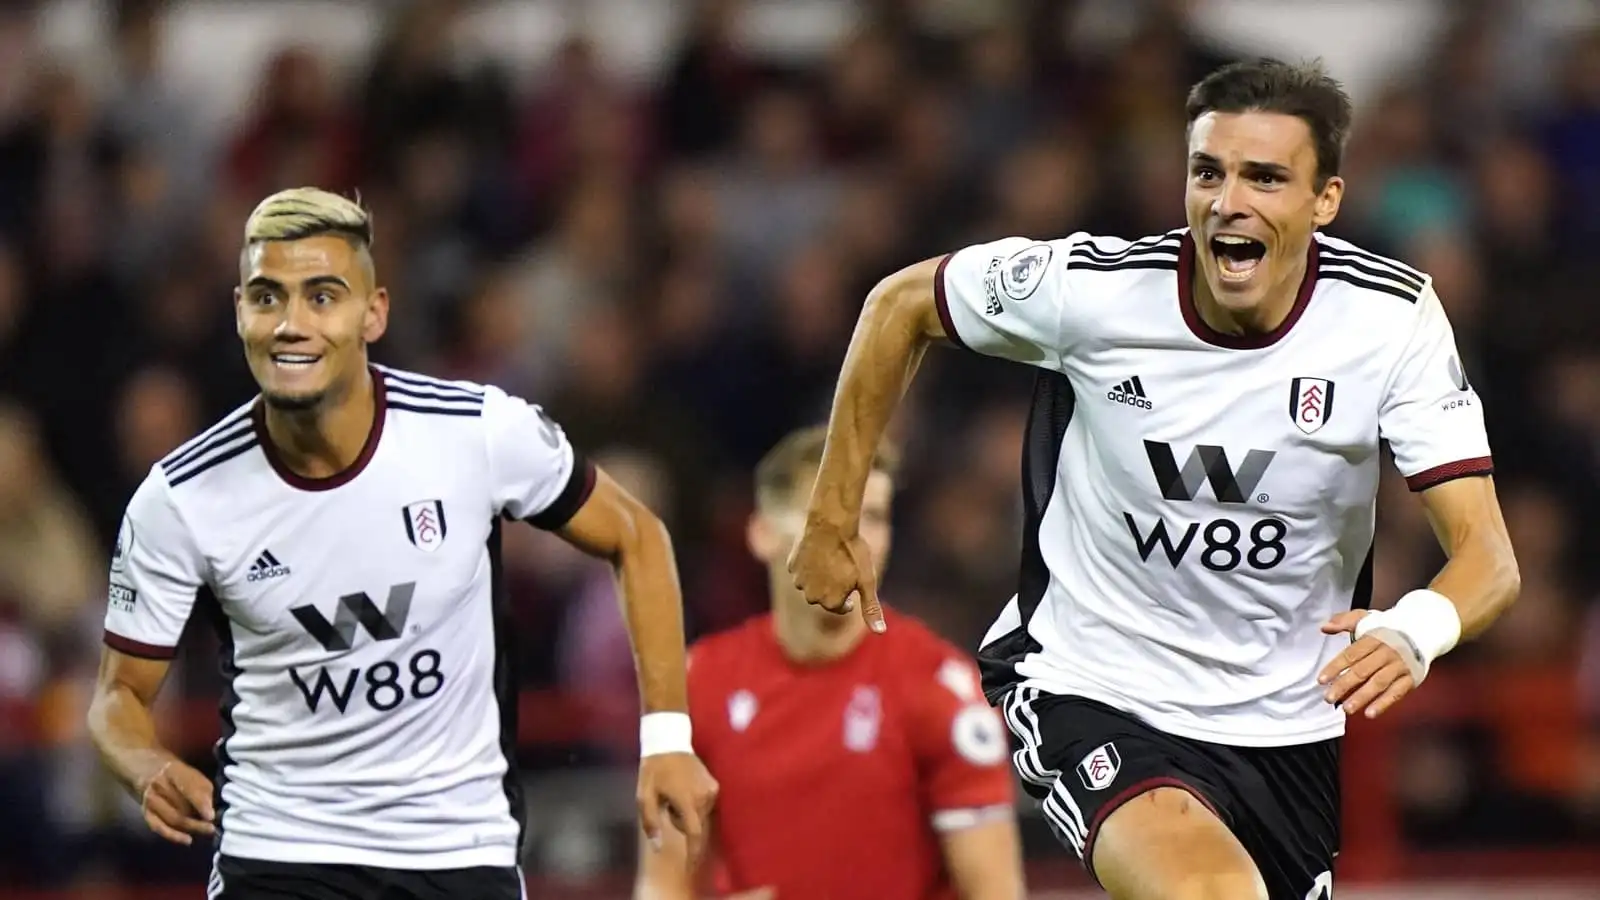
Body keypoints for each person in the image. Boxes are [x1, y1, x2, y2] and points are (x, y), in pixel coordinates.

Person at [788, 59, 1522, 900]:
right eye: (1207, 172)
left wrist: (1412, 630)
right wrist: (831, 517)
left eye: (1265, 178)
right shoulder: (1095, 292)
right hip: (1092, 685)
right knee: (1210, 893)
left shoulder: (1391, 322)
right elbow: (898, 305)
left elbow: (1488, 557)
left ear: (1326, 202)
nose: (1226, 202)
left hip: (1284, 726)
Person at [87, 188, 717, 900]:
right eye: (268, 298)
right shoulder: (180, 498)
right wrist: (145, 765)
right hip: (279, 853)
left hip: (457, 850)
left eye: (322, 297)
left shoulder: (474, 433)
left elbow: (638, 535)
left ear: (375, 312)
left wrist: (667, 739)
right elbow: (117, 698)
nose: (292, 323)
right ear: (240, 312)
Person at [636, 426, 1024, 900]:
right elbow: (660, 886)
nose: (857, 541)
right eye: (831, 515)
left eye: (876, 518)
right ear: (762, 534)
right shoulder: (697, 685)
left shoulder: (941, 690)